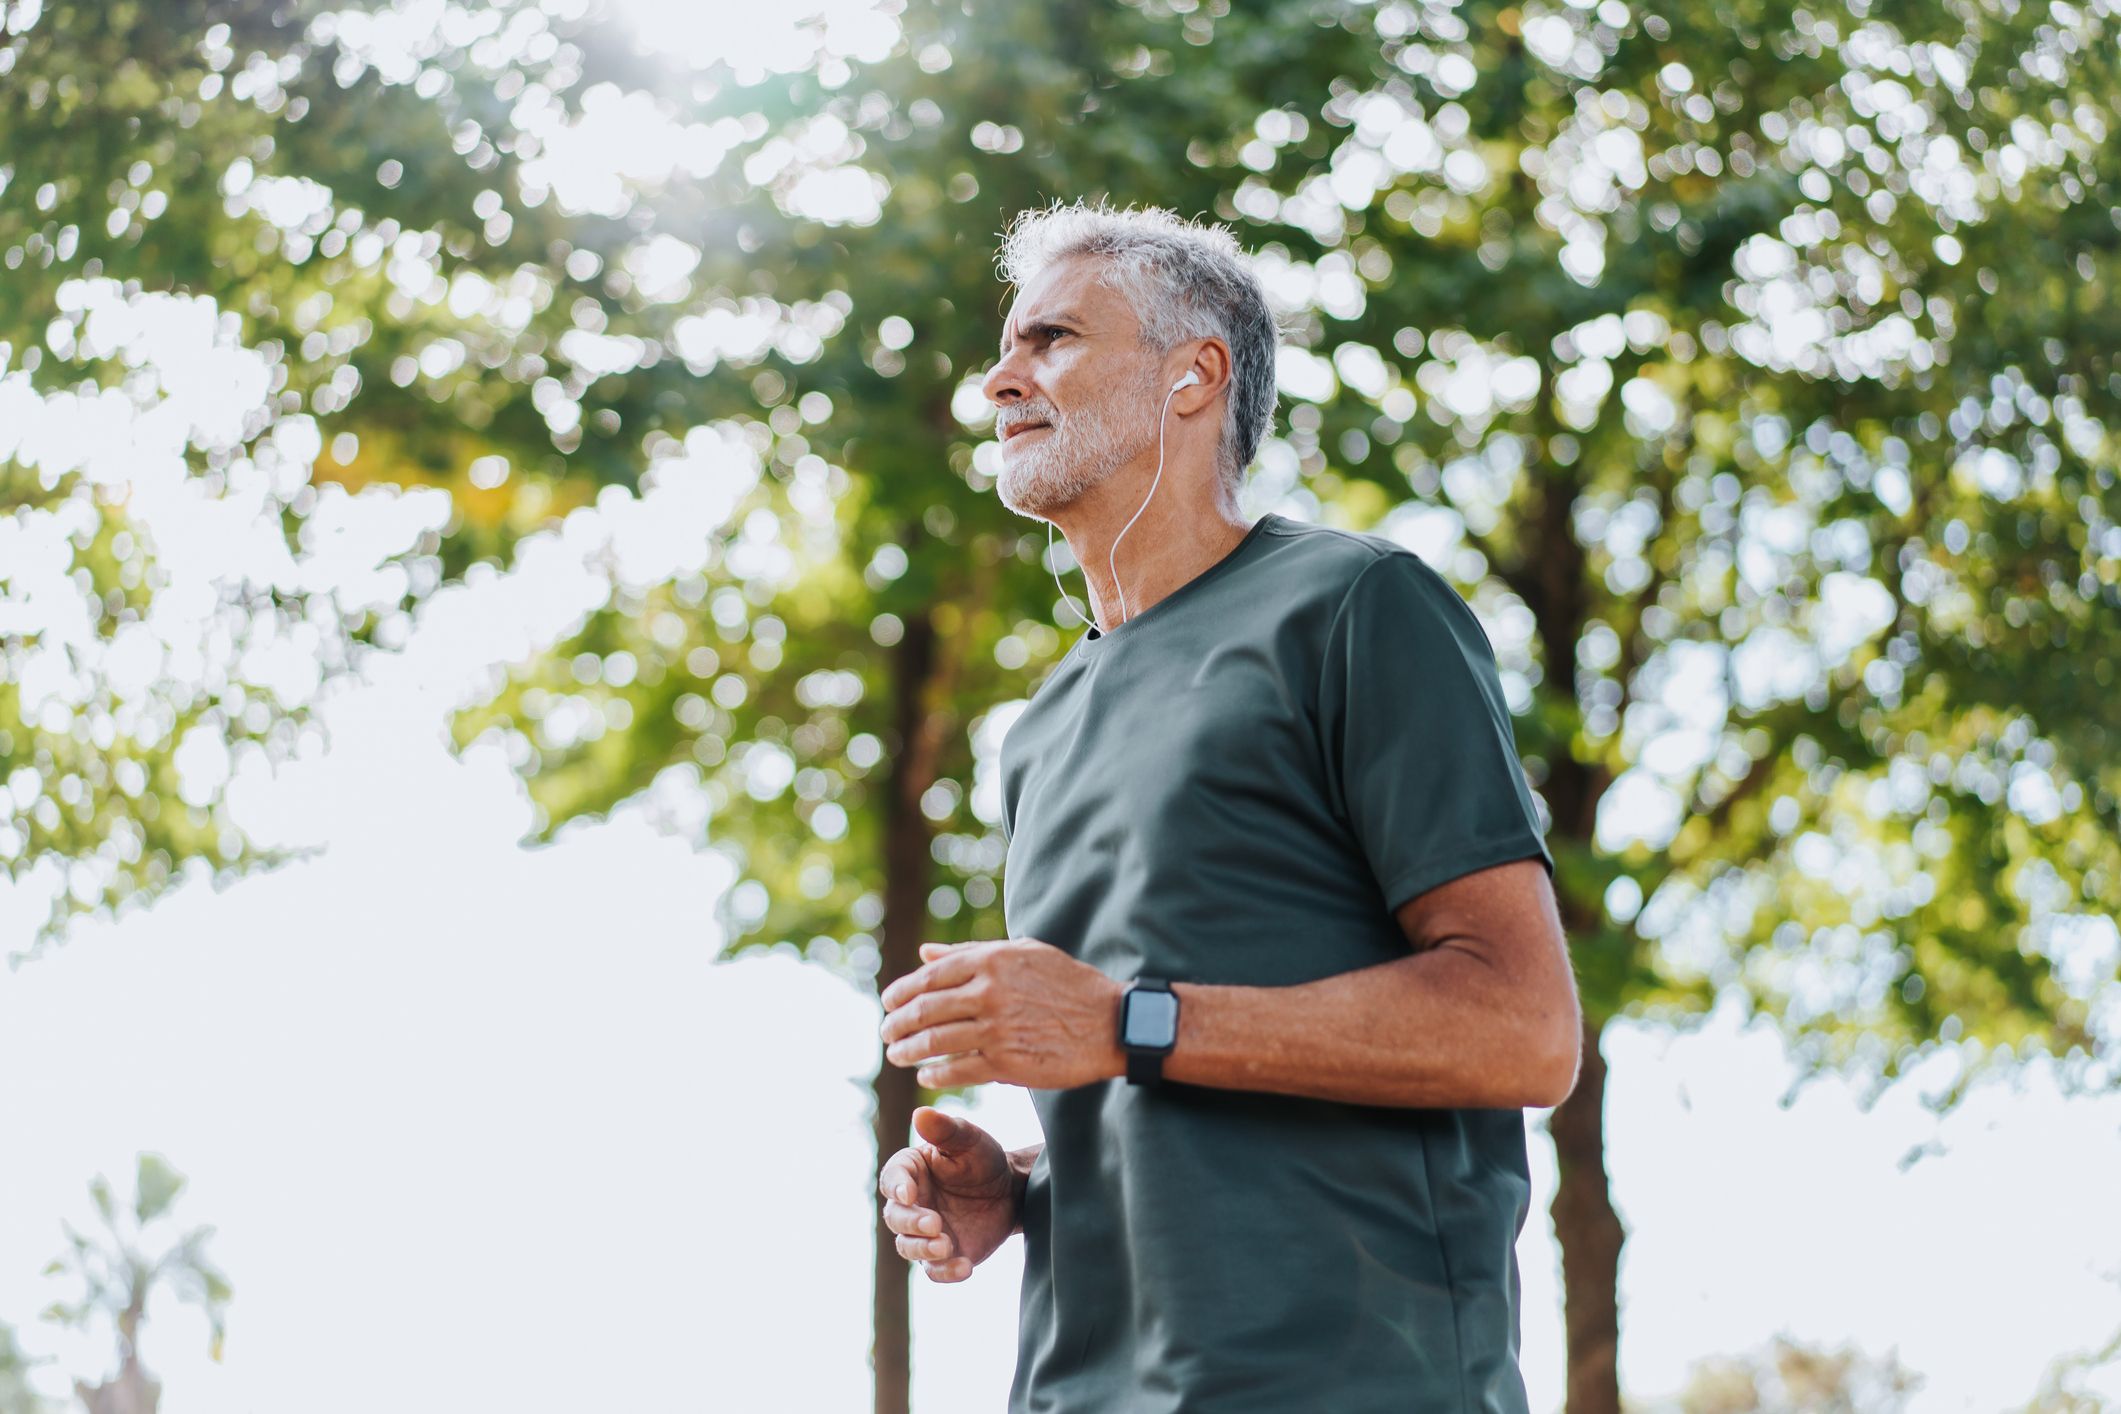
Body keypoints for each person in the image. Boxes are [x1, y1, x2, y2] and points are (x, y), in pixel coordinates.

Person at [876, 200, 1582, 1414]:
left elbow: (1523, 1026)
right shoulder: (1038, 730)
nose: (999, 379)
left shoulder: (1356, 608)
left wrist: (1127, 1024)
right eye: (1006, 349)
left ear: (1194, 375)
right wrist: (1032, 1182)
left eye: (1050, 339)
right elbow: (1166, 1064)